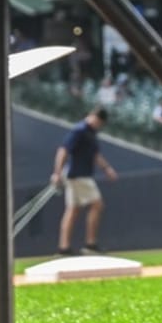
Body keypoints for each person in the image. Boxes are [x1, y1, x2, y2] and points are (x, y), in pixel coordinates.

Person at [51, 107, 117, 256]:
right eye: (99, 122)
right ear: (93, 117)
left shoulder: (91, 133)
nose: (99, 125)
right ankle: (90, 244)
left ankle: (64, 248)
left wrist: (107, 169)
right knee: (97, 204)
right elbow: (63, 150)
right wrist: (57, 173)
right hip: (78, 175)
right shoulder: (79, 130)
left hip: (80, 175)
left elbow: (94, 155)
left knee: (73, 210)